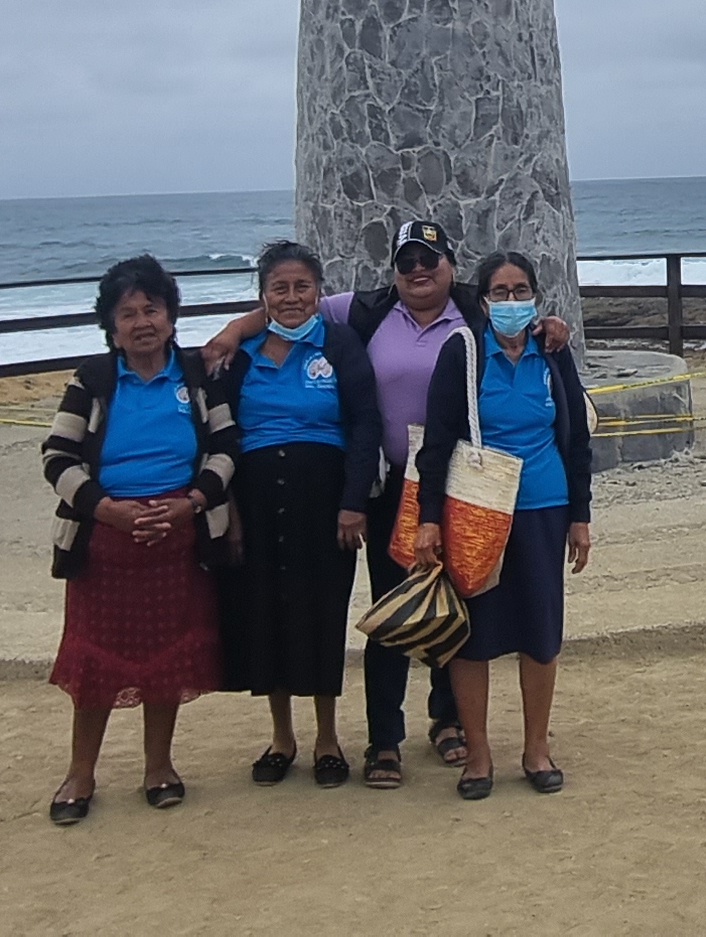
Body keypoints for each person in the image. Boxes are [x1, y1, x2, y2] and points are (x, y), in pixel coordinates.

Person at [197, 217, 568, 789]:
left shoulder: (475, 311)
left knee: (454, 605)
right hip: (392, 483)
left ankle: (447, 720)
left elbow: (522, 322)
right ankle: (384, 739)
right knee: (393, 608)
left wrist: (552, 326)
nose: (419, 270)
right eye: (406, 261)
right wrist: (230, 331)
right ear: (393, 270)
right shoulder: (364, 310)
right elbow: (289, 305)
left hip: (459, 485)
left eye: (429, 259)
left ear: (450, 264)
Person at [41, 255, 239, 826]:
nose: (142, 322)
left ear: (171, 317)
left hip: (179, 541)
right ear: (111, 327)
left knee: (167, 658)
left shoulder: (197, 377)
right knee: (95, 664)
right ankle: (81, 773)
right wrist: (108, 511)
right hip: (104, 546)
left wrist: (191, 503)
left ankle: (159, 767)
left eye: (151, 309)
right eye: (127, 313)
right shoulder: (93, 380)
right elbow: (56, 457)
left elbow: (227, 448)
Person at [412, 251, 594, 800]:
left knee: (541, 632)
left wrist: (580, 517)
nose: (511, 301)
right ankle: (479, 754)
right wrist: (428, 520)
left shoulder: (552, 351)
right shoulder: (463, 352)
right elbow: (437, 441)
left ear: (535, 296)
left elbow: (577, 439)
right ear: (483, 299)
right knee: (473, 636)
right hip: (477, 512)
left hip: (544, 506)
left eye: (521, 291)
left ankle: (536, 749)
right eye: (500, 291)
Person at [207, 240, 366, 789]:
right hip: (255, 499)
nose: (292, 297)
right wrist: (228, 509)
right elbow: (217, 431)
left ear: (319, 292)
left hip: (324, 503)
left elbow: (365, 423)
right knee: (265, 613)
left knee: (322, 612)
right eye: (280, 287)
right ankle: (282, 738)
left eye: (303, 286)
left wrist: (353, 502)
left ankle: (327, 739)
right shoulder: (240, 353)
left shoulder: (340, 344)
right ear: (263, 295)